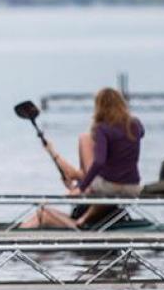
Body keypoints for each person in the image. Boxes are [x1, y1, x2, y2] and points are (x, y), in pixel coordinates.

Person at [20, 87, 145, 229]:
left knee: (41, 214)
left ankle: (15, 237)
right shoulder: (134, 125)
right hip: (131, 187)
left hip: (98, 208)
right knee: (42, 213)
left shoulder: (95, 133)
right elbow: (82, 173)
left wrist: (80, 187)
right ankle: (20, 235)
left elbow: (93, 168)